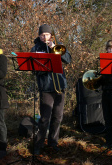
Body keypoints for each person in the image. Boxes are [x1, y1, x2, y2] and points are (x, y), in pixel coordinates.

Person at [30, 24, 71, 155]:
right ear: (39, 36)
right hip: (46, 87)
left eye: (46, 34)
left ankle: (53, 143)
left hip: (59, 85)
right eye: (42, 35)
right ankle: (39, 144)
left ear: (51, 35)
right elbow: (32, 69)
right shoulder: (35, 48)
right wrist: (43, 69)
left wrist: (55, 49)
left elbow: (68, 60)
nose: (44, 37)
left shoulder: (58, 46)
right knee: (44, 118)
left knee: (57, 117)